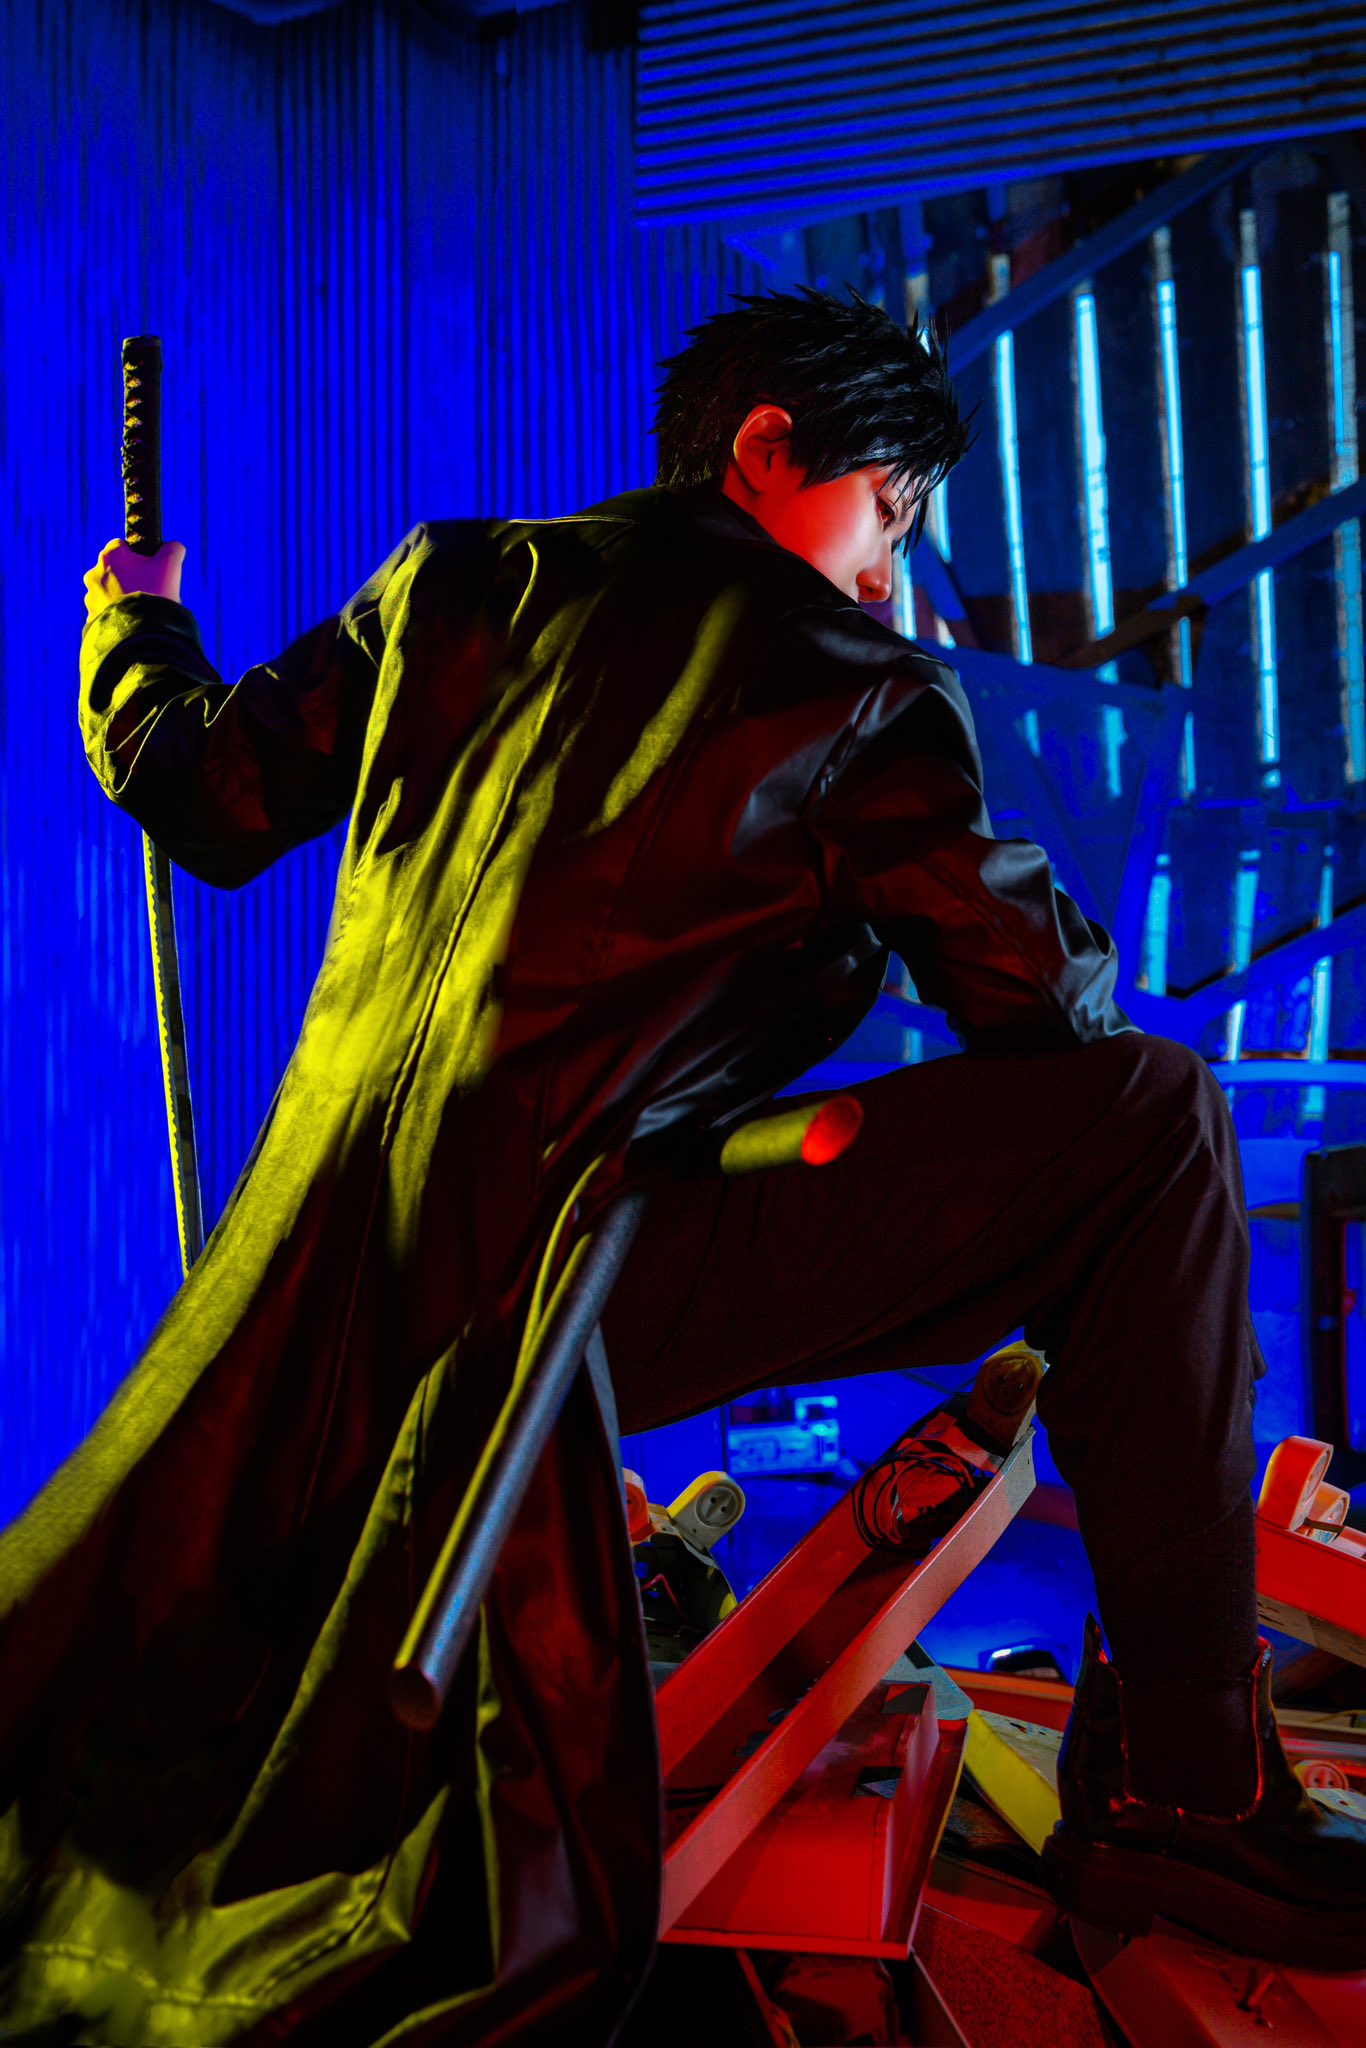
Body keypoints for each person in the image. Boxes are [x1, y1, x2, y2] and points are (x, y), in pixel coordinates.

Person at [0, 284, 1358, 2046]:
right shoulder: (848, 678)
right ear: (769, 446)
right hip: (571, 1303)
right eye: (888, 513)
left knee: (1117, 1144)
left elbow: (198, 790)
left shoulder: (451, 583)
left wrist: (136, 619)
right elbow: (1037, 1010)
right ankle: (1186, 1785)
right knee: (1154, 1125)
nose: (888, 572)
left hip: (323, 1307)